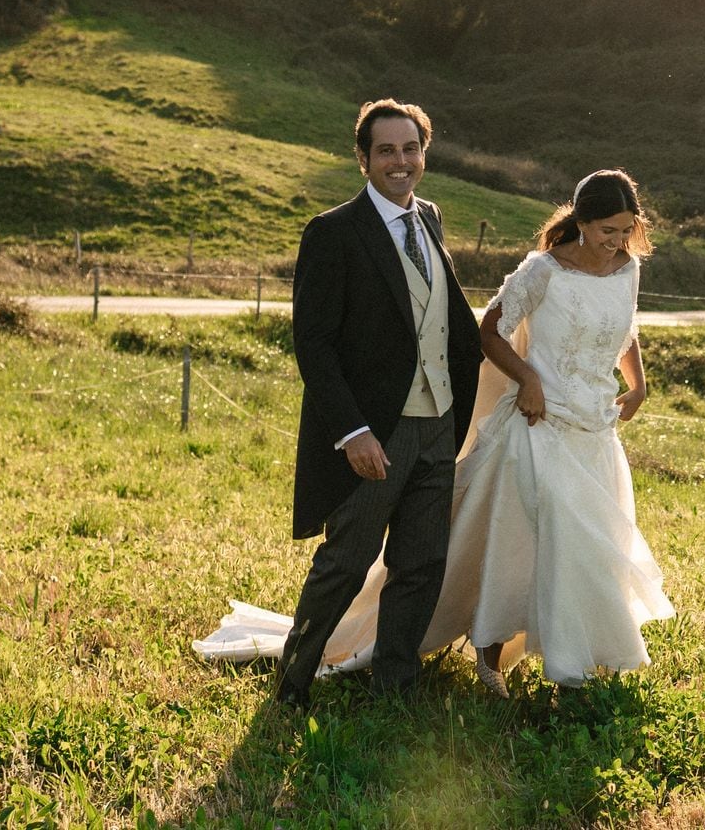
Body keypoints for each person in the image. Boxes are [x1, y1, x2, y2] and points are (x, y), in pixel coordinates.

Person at [193, 169, 674, 694]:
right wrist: (528, 378)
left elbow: (624, 327)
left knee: (589, 547)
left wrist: (638, 384)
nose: (617, 241)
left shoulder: (627, 267)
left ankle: (577, 659)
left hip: (595, 428)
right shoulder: (544, 270)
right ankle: (491, 652)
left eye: (626, 230)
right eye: (607, 230)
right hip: (540, 424)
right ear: (581, 222)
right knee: (536, 541)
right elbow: (490, 331)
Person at [265, 97, 482, 708]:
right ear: (363, 159)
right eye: (386, 150)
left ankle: (395, 685)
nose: (399, 161)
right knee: (347, 561)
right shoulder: (333, 232)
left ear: (424, 155)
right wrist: (352, 430)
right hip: (375, 431)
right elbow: (314, 343)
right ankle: (293, 682)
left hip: (439, 421)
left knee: (422, 562)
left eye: (410, 149)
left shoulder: (430, 218)